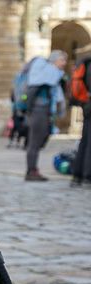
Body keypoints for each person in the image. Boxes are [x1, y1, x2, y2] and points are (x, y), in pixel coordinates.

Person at [24, 50, 67, 181]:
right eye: (62, 60)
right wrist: (30, 111)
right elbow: (32, 90)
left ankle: (32, 170)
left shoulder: (53, 74)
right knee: (34, 142)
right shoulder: (46, 73)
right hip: (39, 110)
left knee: (40, 140)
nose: (64, 63)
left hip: (44, 111)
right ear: (54, 60)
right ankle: (31, 171)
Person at [71, 45, 91, 186]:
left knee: (85, 140)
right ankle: (87, 175)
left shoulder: (86, 62)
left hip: (86, 105)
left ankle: (78, 174)